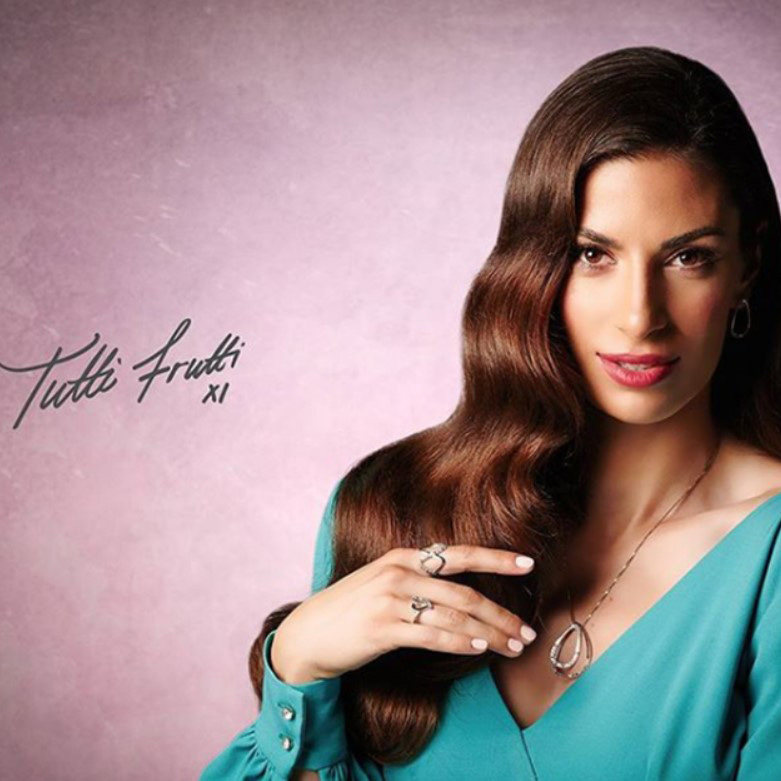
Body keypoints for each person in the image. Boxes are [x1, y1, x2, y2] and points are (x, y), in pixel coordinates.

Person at [199, 45, 781, 780]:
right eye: (591, 255)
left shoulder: (768, 553)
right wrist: (297, 665)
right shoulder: (387, 507)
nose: (640, 316)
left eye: (687, 257)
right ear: (533, 265)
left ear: (746, 264)